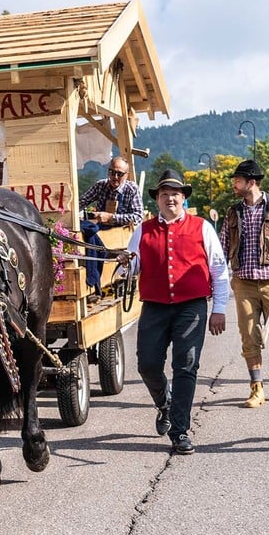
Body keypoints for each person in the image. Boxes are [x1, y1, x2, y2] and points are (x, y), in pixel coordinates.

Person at [120, 169, 229, 455]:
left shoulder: (202, 227)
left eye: (176, 194)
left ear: (183, 198)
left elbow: (218, 270)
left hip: (191, 306)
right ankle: (163, 403)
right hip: (155, 307)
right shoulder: (142, 230)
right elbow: (132, 267)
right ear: (157, 199)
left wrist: (219, 308)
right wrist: (124, 263)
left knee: (186, 366)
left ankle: (180, 431)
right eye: (165, 194)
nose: (170, 198)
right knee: (147, 364)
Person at [218, 160, 269, 408]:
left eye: (237, 181)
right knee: (249, 337)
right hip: (243, 282)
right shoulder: (232, 212)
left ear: (251, 182)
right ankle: (256, 388)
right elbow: (221, 248)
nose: (234, 185)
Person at [80, 156, 143, 294]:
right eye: (112, 172)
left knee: (94, 236)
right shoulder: (101, 185)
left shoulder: (131, 189)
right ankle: (92, 282)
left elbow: (138, 216)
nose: (115, 177)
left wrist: (111, 217)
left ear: (126, 175)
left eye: (119, 174)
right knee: (87, 231)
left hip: (120, 233)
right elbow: (81, 202)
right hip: (100, 230)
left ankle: (95, 280)